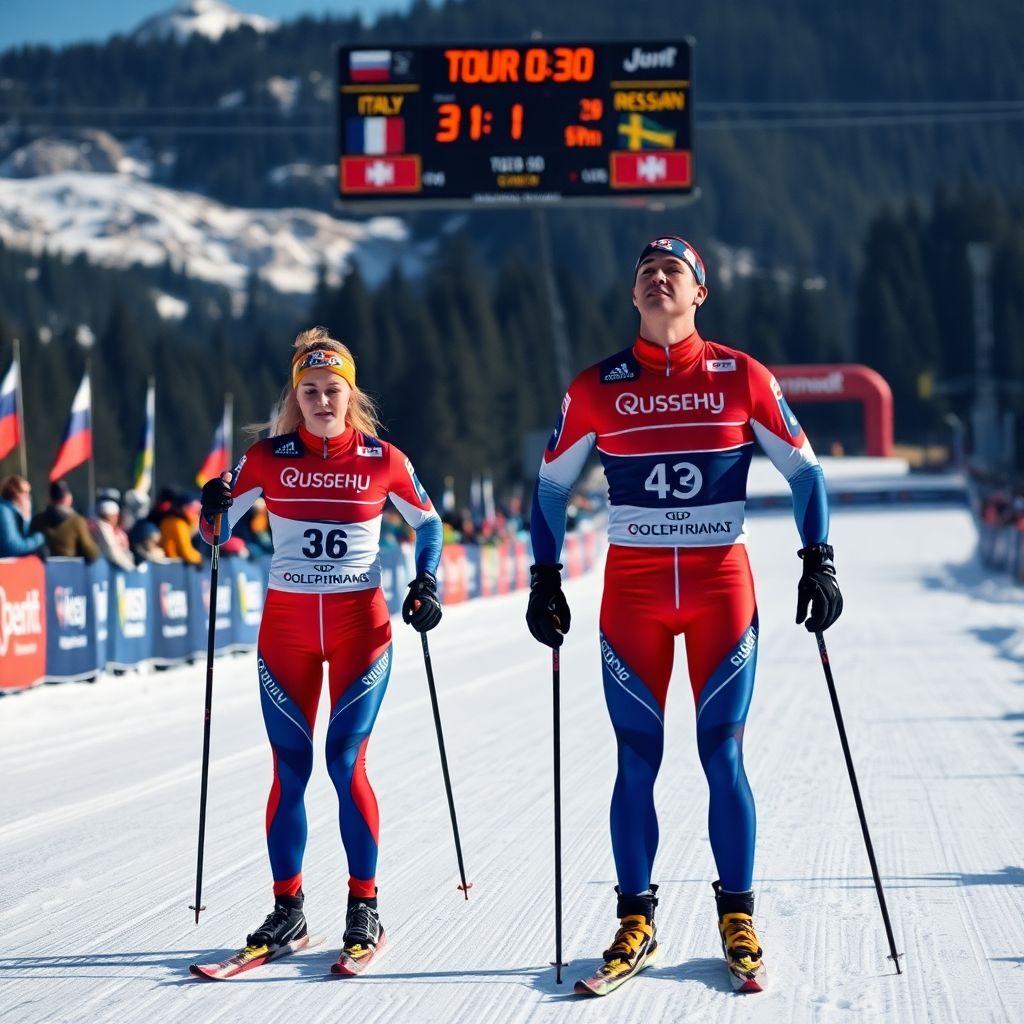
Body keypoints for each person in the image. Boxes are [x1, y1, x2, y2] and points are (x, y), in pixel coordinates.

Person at [526, 236, 842, 994]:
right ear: (633, 296)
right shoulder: (597, 386)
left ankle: (737, 915)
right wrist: (545, 576)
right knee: (637, 760)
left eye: (674, 271)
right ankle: (635, 920)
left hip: (718, 590)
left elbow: (806, 472)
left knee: (721, 754)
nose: (658, 279)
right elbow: (547, 488)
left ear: (700, 292)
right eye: (645, 272)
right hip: (631, 595)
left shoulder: (741, 375)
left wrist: (818, 559)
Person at [199, 326, 443, 971]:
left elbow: (429, 522)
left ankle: (364, 905)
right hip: (285, 632)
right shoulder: (266, 458)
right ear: (296, 396)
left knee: (344, 758)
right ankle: (288, 911)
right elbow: (214, 536)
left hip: (360, 627)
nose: (321, 400)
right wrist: (211, 505)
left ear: (349, 393)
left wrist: (426, 581)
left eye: (332, 389)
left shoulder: (381, 458)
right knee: (288, 767)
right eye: (309, 391)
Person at [31, 479, 100, 562]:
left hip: (43, 573)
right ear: (67, 499)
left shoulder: (37, 520)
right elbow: (91, 554)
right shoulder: (77, 521)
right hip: (70, 572)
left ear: (50, 499)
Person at [0, 475, 46, 558]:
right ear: (15, 493)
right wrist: (39, 538)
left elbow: (23, 539)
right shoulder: (4, 511)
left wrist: (26, 518)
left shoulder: (12, 511)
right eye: (25, 493)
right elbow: (14, 548)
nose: (28, 497)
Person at [92, 497, 137, 571]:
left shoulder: (119, 532)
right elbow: (112, 552)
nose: (116, 518)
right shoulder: (102, 527)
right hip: (106, 571)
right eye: (115, 516)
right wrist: (131, 567)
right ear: (109, 516)